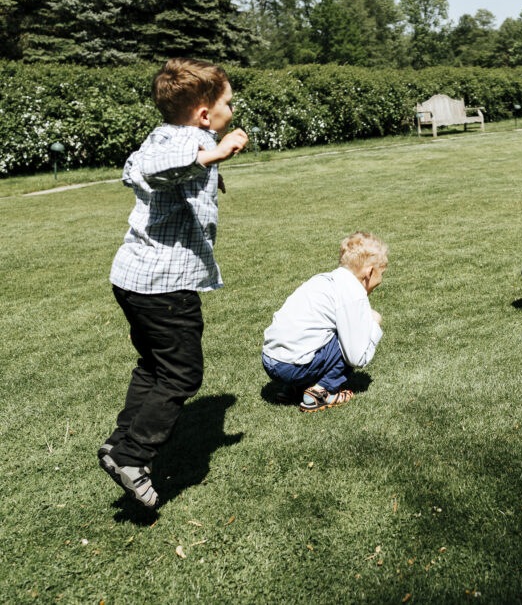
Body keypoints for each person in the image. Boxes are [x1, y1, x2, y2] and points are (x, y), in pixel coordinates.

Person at [99, 58, 248, 508]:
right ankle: (132, 456)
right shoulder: (189, 142)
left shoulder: (163, 135)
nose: (232, 109)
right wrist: (211, 155)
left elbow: (135, 168)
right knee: (183, 372)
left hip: (134, 279)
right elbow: (148, 171)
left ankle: (119, 442)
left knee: (154, 365)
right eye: (228, 103)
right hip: (162, 286)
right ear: (204, 113)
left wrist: (209, 168)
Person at [262, 232, 387, 412]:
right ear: (370, 272)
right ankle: (320, 392)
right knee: (347, 337)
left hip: (270, 359)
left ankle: (294, 387)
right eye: (382, 273)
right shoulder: (353, 293)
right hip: (291, 366)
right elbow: (357, 358)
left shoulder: (323, 280)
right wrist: (373, 325)